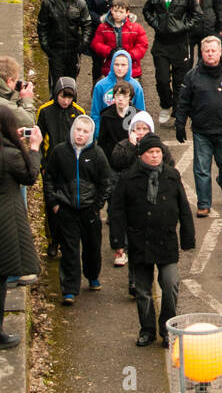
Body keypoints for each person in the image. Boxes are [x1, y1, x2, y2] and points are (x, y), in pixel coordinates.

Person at [109, 132, 195, 347]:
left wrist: (188, 237)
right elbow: (117, 213)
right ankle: (147, 330)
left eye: (158, 152)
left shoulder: (172, 176)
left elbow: (184, 208)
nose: (155, 156)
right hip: (140, 242)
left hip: (166, 241)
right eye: (151, 152)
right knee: (142, 290)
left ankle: (167, 328)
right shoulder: (128, 179)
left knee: (170, 284)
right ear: (142, 155)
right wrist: (118, 244)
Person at [175, 36, 222, 218]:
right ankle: (204, 203)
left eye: (214, 50)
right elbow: (183, 102)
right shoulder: (192, 76)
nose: (210, 54)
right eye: (207, 51)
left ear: (220, 51)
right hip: (201, 131)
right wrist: (180, 123)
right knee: (201, 169)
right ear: (202, 52)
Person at [43, 114, 110, 304]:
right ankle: (69, 289)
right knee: (69, 249)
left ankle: (92, 275)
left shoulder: (97, 154)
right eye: (78, 130)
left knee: (92, 246)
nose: (80, 134)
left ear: (91, 134)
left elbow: (106, 182)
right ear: (73, 130)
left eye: (85, 131)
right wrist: (54, 204)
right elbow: (49, 179)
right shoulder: (59, 152)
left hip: (90, 210)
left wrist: (97, 206)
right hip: (66, 208)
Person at [0, 112, 42, 348]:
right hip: (6, 219)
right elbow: (30, 175)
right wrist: (33, 148)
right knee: (2, 277)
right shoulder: (10, 155)